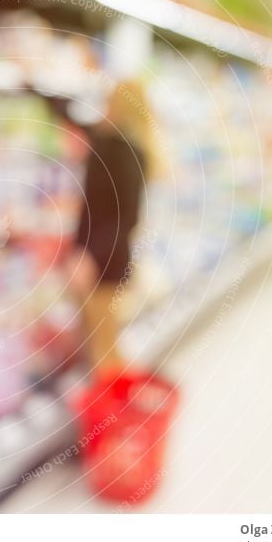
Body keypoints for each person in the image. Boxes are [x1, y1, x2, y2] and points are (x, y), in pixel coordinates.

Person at [64, 81, 159, 374]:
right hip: (114, 255)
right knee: (106, 337)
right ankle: (118, 403)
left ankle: (112, 410)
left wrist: (87, 254)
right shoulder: (134, 147)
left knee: (102, 343)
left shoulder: (115, 148)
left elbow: (117, 215)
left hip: (103, 257)